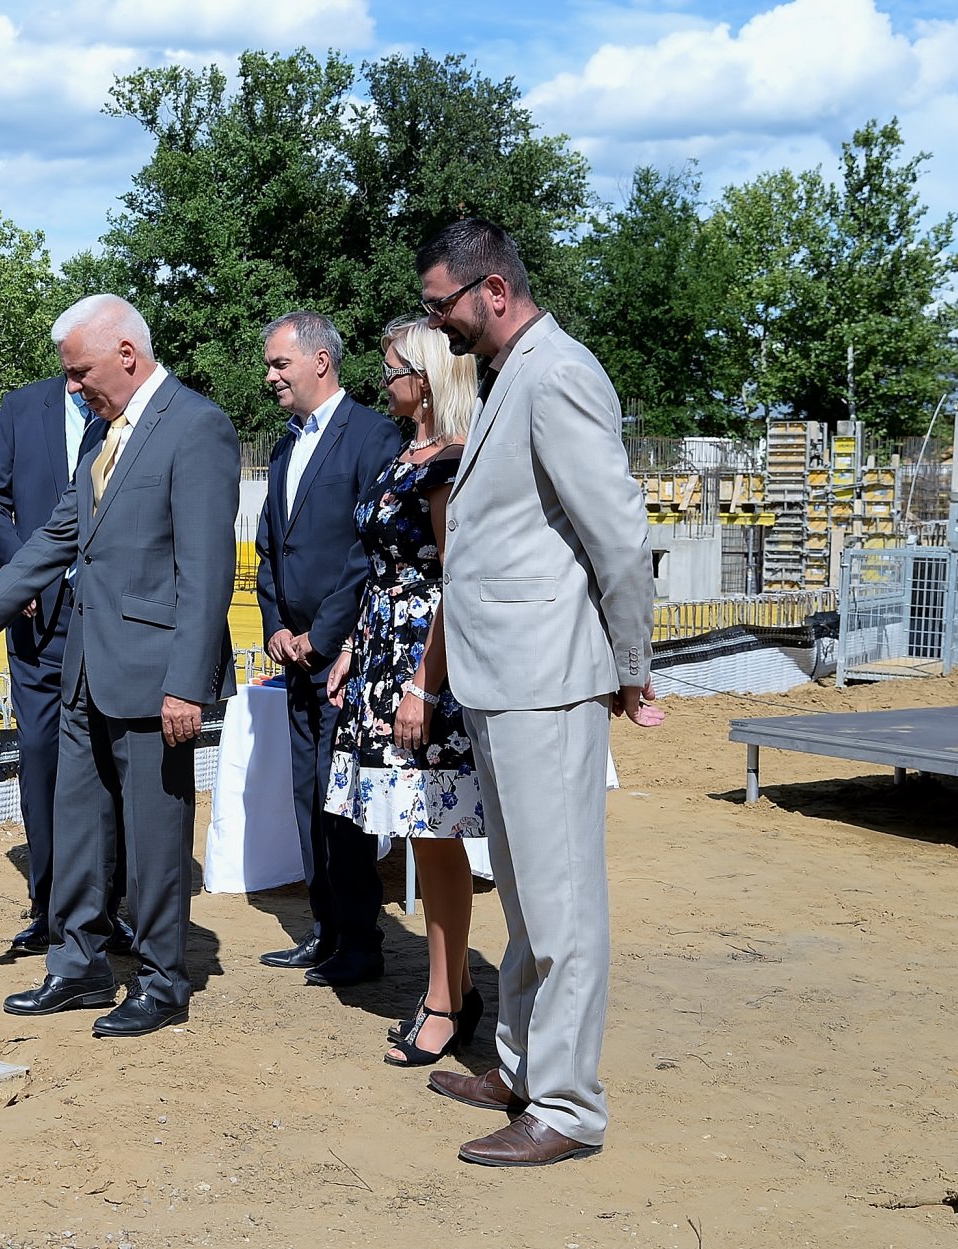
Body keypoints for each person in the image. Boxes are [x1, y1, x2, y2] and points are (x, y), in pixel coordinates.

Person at [413, 219, 656, 1167]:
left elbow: (621, 537)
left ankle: (567, 1106)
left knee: (562, 909)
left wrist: (631, 667)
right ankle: (519, 1066)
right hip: (506, 677)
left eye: (445, 306)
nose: (440, 325)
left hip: (549, 679)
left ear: (495, 290)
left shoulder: (556, 371)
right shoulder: (515, 371)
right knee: (524, 894)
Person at [0, 294, 238, 1039]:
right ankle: (77, 966)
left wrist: (189, 682)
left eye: (80, 372)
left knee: (153, 836)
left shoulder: (197, 427)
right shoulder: (103, 438)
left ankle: (162, 978)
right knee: (77, 825)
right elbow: (57, 533)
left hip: (154, 676)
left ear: (127, 357)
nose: (73, 387)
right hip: (82, 666)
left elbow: (207, 572)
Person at [321, 316, 484, 1066]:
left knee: (434, 839)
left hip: (426, 660)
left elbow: (456, 580)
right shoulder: (402, 455)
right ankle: (449, 991)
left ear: (424, 378)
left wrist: (424, 680)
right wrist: (356, 646)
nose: (382, 381)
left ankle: (447, 1000)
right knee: (417, 832)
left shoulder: (448, 464)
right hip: (384, 653)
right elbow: (382, 567)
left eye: (390, 369)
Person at [252, 311, 402, 987]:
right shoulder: (286, 444)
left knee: (343, 801)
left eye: (280, 363)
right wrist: (278, 625)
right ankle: (324, 927)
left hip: (344, 657)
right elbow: (268, 548)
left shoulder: (372, 435)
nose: (270, 376)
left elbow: (366, 552)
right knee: (307, 793)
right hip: (294, 656)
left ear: (320, 360)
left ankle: (360, 940)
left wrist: (325, 634)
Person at [0, 375, 132, 954]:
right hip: (39, 622)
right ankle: (49, 906)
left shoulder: (126, 404)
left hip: (110, 616)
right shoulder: (21, 407)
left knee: (109, 758)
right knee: (41, 757)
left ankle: (110, 907)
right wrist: (22, 575)